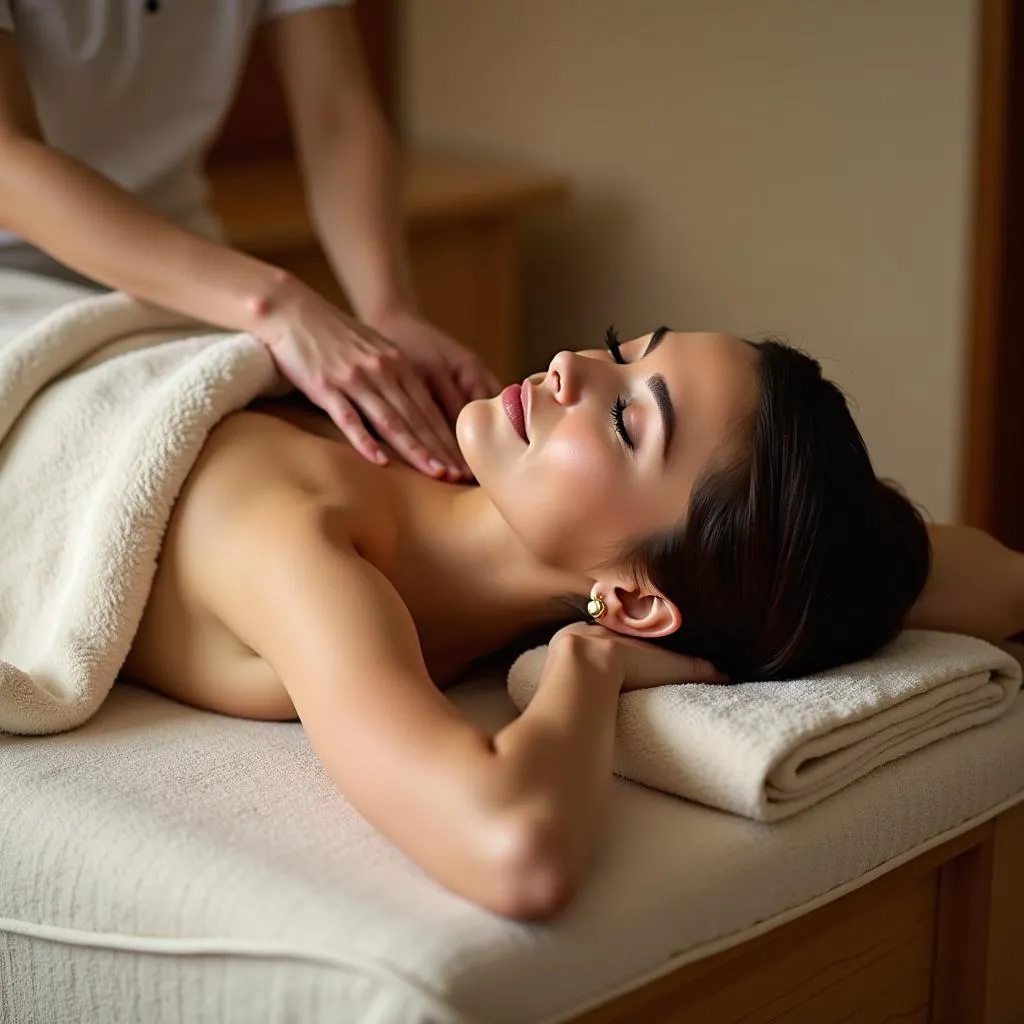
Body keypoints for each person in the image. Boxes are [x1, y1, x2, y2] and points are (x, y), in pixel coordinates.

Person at [122, 326, 1024, 920]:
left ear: (636, 602)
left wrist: (589, 655)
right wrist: (596, 658)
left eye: (628, 419)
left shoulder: (352, 538)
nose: (572, 370)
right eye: (623, 351)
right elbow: (516, 849)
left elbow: (517, 852)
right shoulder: (300, 535)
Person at [0, 1, 498, 481]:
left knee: (335, 442)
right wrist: (272, 303)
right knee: (233, 463)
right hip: (15, 285)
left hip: (193, 278)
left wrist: (389, 310)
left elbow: (335, 115)